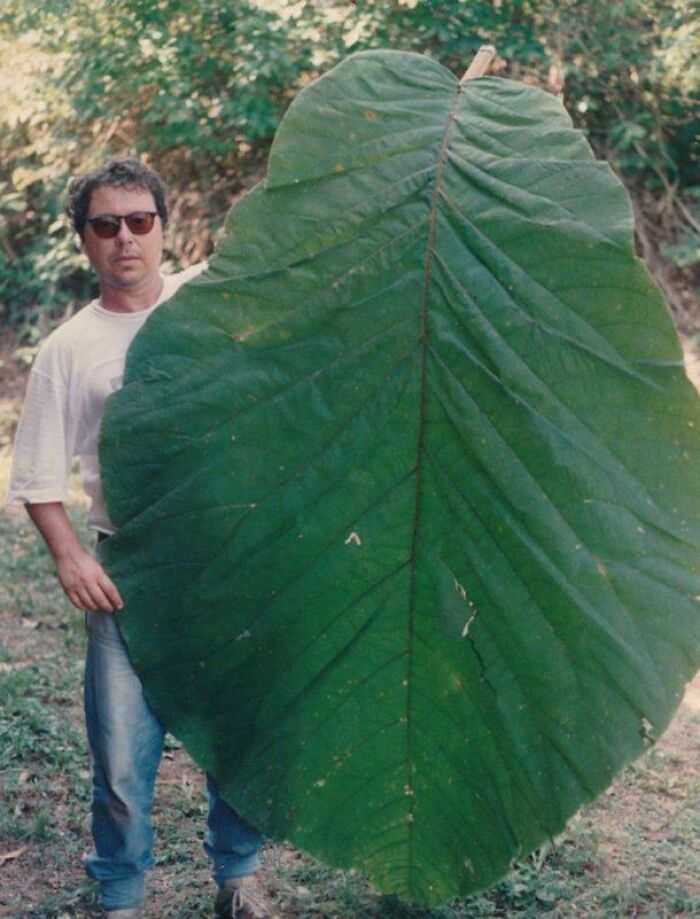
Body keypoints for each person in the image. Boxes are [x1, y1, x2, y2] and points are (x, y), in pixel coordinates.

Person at [6, 157, 269, 919]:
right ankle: (121, 896)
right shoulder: (69, 348)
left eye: (140, 221)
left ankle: (239, 877)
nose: (126, 238)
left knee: (235, 730)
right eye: (106, 225)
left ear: (164, 225)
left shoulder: (208, 301)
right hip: (128, 569)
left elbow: (304, 257)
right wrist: (69, 555)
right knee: (122, 753)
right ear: (84, 240)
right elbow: (39, 475)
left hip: (225, 557)